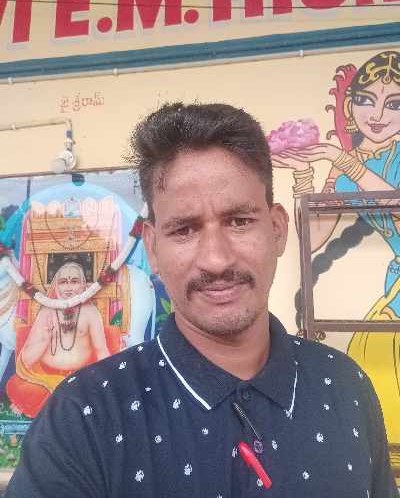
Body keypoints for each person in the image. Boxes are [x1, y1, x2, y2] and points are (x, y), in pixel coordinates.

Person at [6, 103, 396, 497]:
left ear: (277, 230)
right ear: (153, 248)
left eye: (239, 221)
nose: (216, 259)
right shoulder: (83, 417)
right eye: (185, 230)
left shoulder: (345, 387)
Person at [271, 51, 400, 478]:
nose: (377, 115)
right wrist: (303, 174)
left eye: (393, 103)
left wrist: (340, 158)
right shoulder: (348, 167)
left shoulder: (362, 161)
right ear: (350, 105)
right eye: (366, 100)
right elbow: (312, 237)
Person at [6, 261, 110, 418]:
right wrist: (45, 340)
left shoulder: (90, 312)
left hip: (80, 378)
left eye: (74, 281)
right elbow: (26, 360)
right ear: (56, 286)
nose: (68, 287)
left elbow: (101, 351)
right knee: (20, 386)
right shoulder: (46, 312)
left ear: (83, 286)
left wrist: (107, 377)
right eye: (63, 282)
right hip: (44, 379)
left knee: (91, 391)